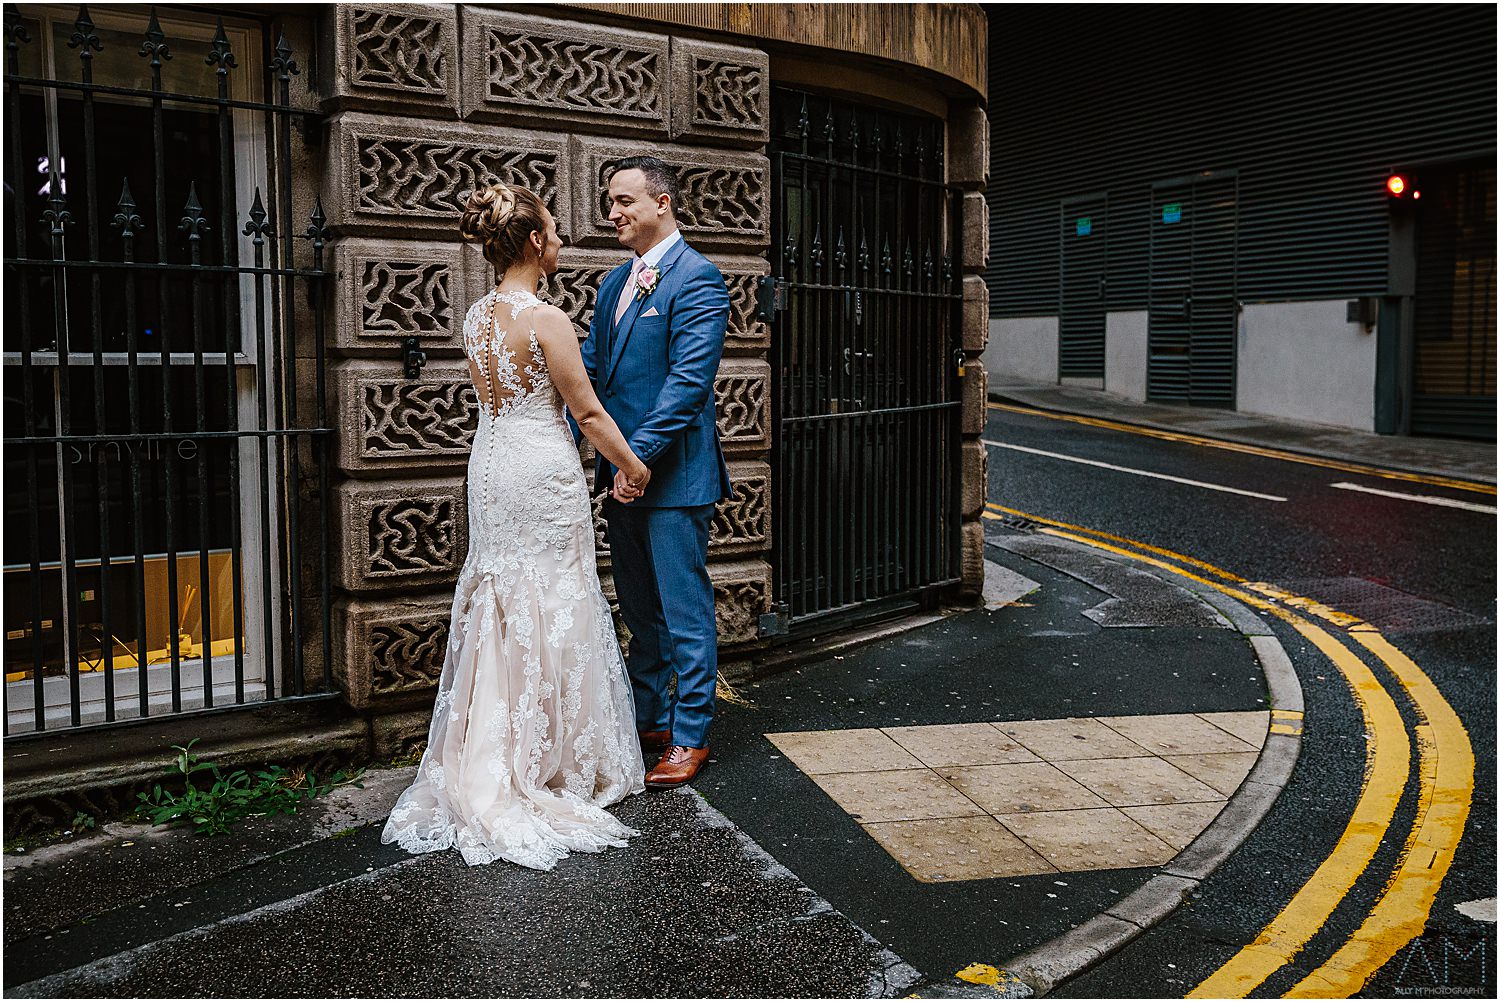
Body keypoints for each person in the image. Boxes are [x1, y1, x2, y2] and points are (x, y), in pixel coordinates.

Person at [381, 182, 648, 870]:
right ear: (533, 241)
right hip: (540, 470)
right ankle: (547, 758)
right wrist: (633, 466)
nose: (560, 241)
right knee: (555, 595)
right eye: (553, 231)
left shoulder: (476, 316)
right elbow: (586, 412)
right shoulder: (546, 320)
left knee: (501, 597)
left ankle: (491, 751)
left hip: (492, 464)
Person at [576, 156, 733, 789]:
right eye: (610, 202)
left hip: (672, 478)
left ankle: (690, 734)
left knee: (684, 613)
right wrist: (561, 440)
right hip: (623, 476)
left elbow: (687, 386)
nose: (611, 213)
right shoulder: (615, 282)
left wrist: (635, 459)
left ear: (661, 203)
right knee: (641, 612)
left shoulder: (698, 278)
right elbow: (590, 371)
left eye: (623, 201)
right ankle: (649, 719)